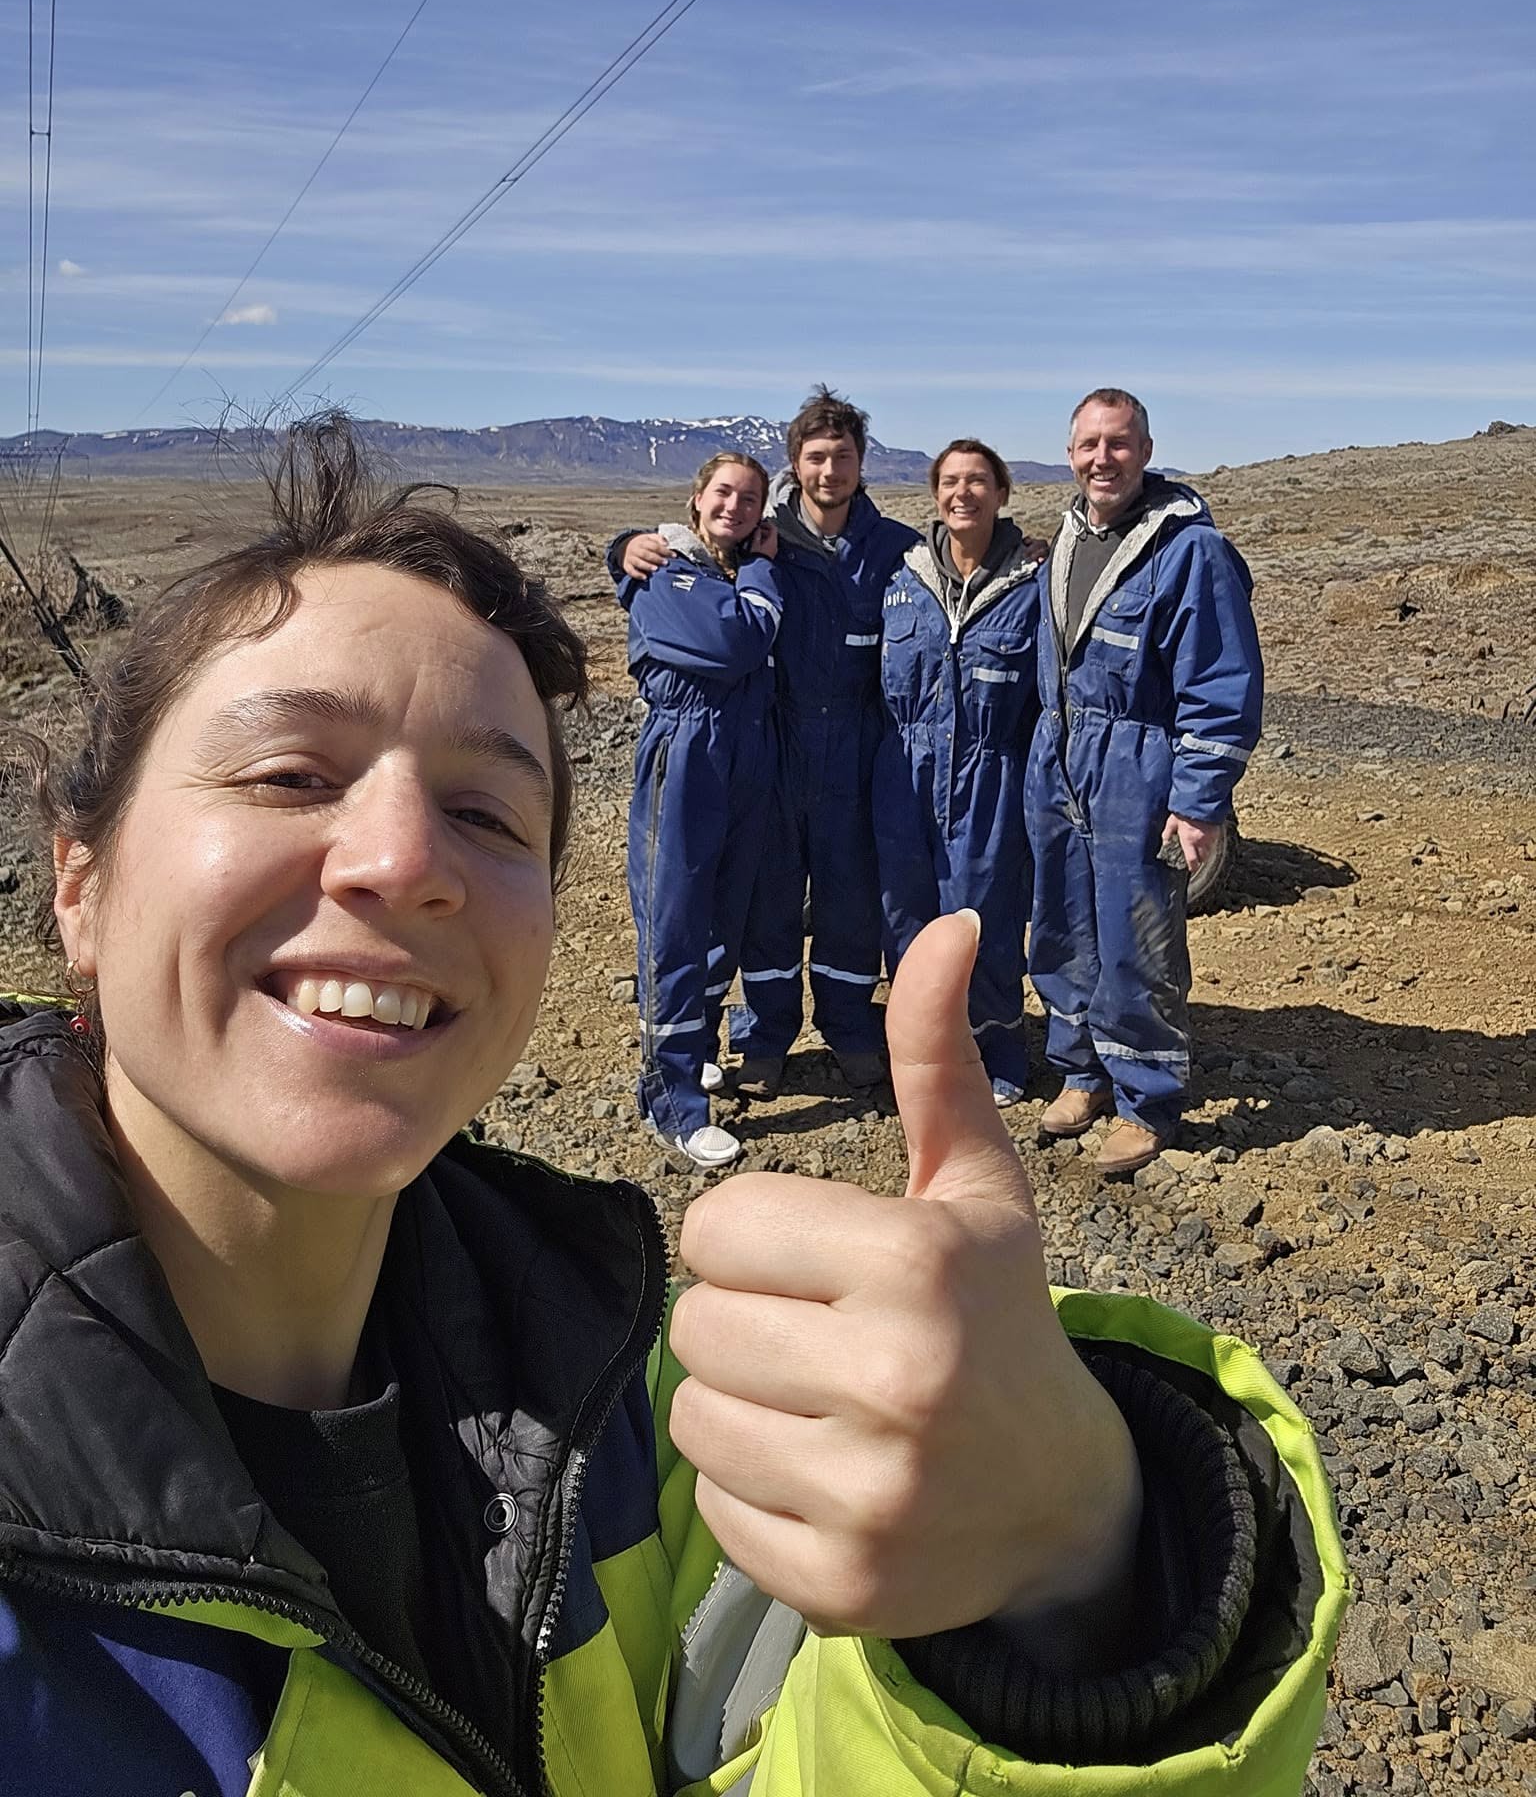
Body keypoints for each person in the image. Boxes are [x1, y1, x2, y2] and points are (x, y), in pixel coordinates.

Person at [0, 416, 1343, 1796]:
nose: (402, 859)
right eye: (290, 773)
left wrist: (1087, 1569)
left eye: (486, 813)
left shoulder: (634, 1398)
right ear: (78, 881)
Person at [618, 387, 917, 1099]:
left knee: (850, 899)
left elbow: (962, 565)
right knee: (768, 903)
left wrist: (1021, 550)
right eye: (815, 457)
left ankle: (850, 1028)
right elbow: (692, 573)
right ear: (795, 464)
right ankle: (763, 1038)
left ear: (862, 463)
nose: (829, 471)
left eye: (843, 456)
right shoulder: (763, 540)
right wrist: (620, 547)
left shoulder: (896, 549)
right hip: (774, 749)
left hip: (856, 749)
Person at [1026, 388, 1264, 1177]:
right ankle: (1083, 1072)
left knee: (1138, 942)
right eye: (1090, 444)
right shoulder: (1065, 540)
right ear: (1070, 454)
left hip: (1138, 767)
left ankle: (1145, 1100)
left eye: (1119, 443)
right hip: (1061, 759)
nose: (1104, 458)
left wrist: (1199, 802)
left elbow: (1221, 685)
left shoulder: (1190, 551)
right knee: (1063, 927)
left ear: (1147, 451)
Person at [615, 452, 781, 1169]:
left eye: (749, 498)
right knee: (675, 923)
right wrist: (763, 575)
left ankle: (695, 1046)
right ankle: (673, 1100)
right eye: (723, 493)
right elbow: (736, 642)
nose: (733, 507)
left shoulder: (729, 571)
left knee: (724, 918)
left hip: (747, 752)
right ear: (696, 499)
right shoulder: (664, 569)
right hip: (685, 753)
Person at [873, 439, 1042, 1109]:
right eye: (949, 481)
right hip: (903, 775)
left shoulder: (1032, 584)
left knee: (984, 918)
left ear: (1001, 493)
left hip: (992, 775)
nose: (962, 493)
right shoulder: (901, 579)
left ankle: (995, 1053)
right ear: (935, 494)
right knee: (906, 920)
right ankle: (922, 1056)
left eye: (977, 481)